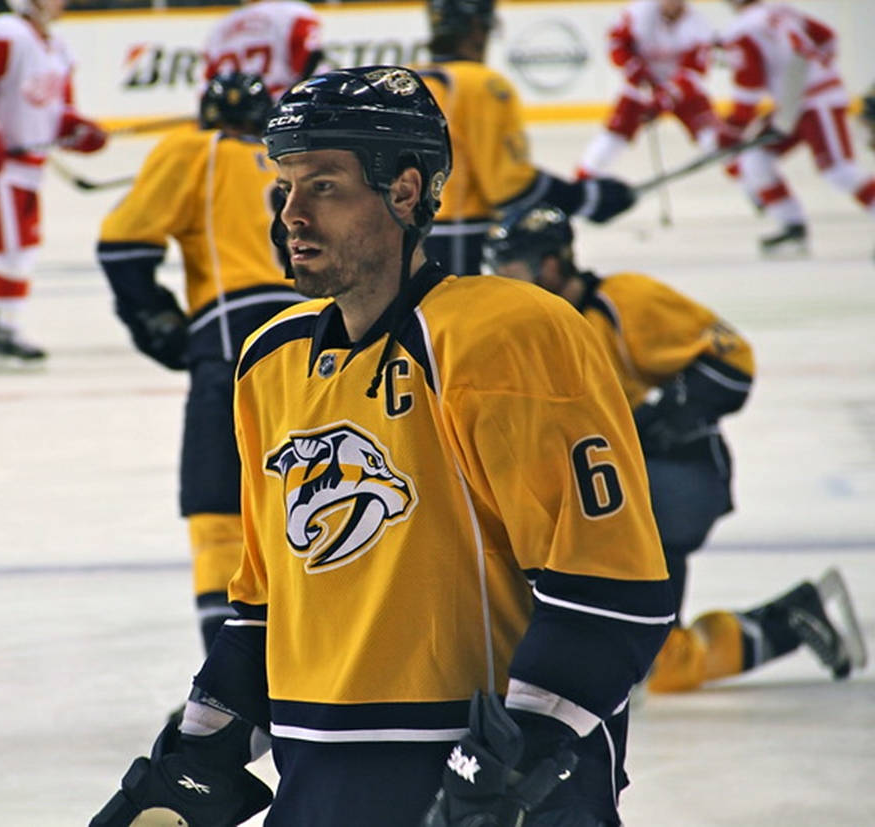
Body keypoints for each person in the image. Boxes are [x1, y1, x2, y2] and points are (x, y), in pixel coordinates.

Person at [91, 66, 676, 827]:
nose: (291, 214)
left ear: (405, 191)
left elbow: (610, 591)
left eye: (323, 186)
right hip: (318, 788)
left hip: (477, 793)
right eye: (284, 186)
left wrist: (513, 766)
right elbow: (269, 608)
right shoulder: (271, 361)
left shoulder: (503, 335)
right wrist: (197, 754)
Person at [481, 203, 868, 694]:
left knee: (656, 666)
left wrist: (654, 418)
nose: (501, 280)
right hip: (610, 492)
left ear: (552, 265)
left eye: (511, 266)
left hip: (673, 483)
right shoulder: (527, 329)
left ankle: (788, 621)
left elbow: (732, 368)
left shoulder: (627, 301)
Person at [97, 73, 302, 657]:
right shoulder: (301, 164)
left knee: (220, 513)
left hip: (234, 343)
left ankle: (229, 680)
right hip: (324, 338)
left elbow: (122, 242)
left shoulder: (196, 149)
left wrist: (160, 327)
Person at [412, 0, 637, 276]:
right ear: (477, 27)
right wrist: (586, 198)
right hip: (457, 243)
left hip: (404, 239)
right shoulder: (482, 85)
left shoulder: (410, 79)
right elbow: (510, 189)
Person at [0, 0, 107, 370]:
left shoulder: (58, 48)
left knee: (24, 248)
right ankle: (4, 332)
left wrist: (79, 131)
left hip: (28, 166)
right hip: (0, 166)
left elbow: (58, 113)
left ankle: (6, 330)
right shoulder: (5, 32)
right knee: (13, 250)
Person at [720, 0, 875, 255]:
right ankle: (792, 230)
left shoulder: (742, 28)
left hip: (817, 101)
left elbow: (748, 89)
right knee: (755, 158)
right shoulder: (780, 9)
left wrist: (731, 131)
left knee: (838, 169)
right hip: (794, 104)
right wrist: (821, 71)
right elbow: (828, 38)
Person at [576, 0, 719, 179]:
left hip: (681, 92)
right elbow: (616, 43)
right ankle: (581, 181)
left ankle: (748, 180)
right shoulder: (638, 12)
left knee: (712, 137)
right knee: (613, 136)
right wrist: (634, 69)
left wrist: (665, 97)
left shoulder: (699, 25)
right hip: (641, 89)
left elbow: (693, 73)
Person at [202, 0, 325, 100]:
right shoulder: (297, 13)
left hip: (232, 113)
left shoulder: (220, 26)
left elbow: (209, 84)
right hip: (280, 106)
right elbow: (311, 65)